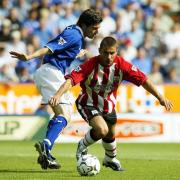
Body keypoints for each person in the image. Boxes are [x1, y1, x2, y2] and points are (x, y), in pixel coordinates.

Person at [49, 36, 173, 171]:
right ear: (99, 51)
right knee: (102, 130)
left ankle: (110, 159)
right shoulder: (90, 65)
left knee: (110, 134)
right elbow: (71, 80)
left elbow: (143, 80)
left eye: (112, 53)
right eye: (105, 53)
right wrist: (57, 95)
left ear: (117, 51)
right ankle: (82, 147)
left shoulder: (123, 65)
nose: (109, 56)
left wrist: (160, 97)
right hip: (87, 103)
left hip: (108, 105)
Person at [10, 9, 103, 170]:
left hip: (48, 72)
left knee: (62, 114)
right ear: (84, 24)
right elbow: (50, 48)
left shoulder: (75, 34)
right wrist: (29, 57)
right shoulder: (73, 35)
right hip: (51, 73)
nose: (96, 32)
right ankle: (46, 146)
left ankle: (47, 151)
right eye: (94, 28)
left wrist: (75, 54)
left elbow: (60, 52)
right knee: (65, 115)